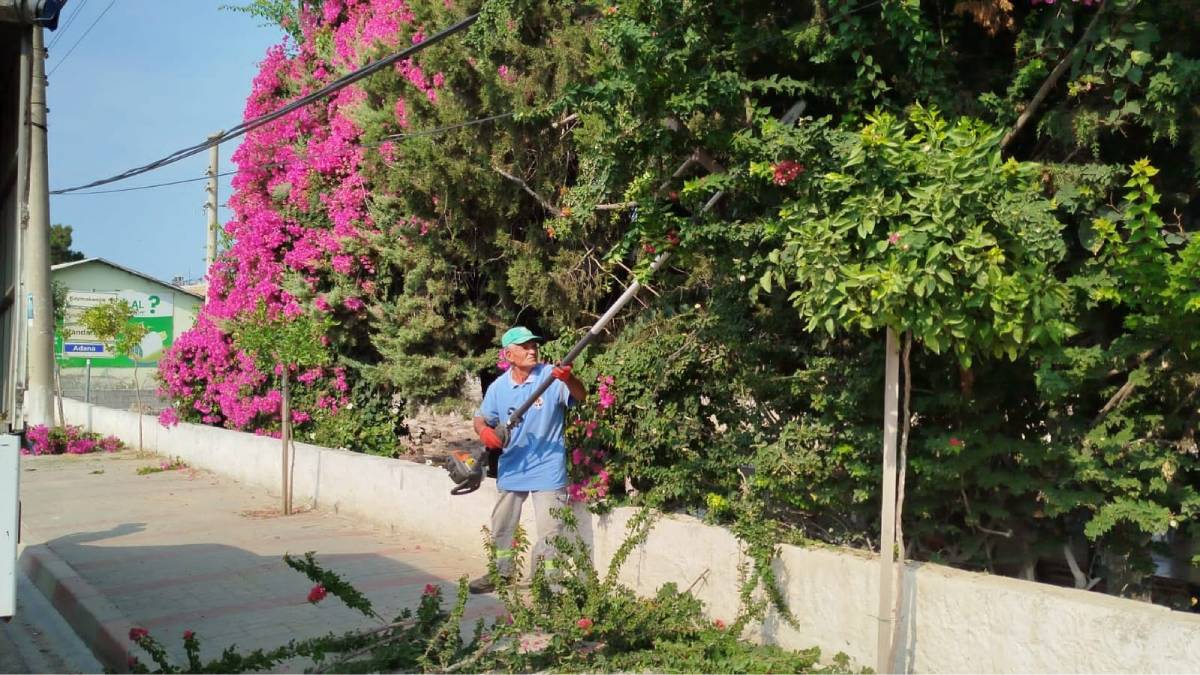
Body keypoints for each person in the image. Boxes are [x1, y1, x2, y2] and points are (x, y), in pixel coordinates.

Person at [469, 325, 587, 594]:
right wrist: (484, 431)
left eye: (534, 345)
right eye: (525, 347)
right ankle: (501, 573)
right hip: (514, 467)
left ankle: (549, 582)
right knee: (502, 525)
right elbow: (481, 417)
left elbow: (581, 395)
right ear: (509, 355)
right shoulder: (499, 388)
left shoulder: (551, 376)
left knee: (551, 530)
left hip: (548, 468)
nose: (532, 350)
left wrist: (569, 378)